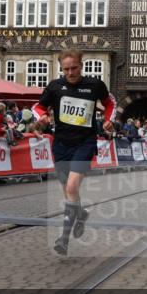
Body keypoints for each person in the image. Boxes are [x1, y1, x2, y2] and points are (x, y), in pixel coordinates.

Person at [33, 49, 117, 256]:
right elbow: (38, 106)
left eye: (74, 68)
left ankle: (63, 239)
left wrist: (108, 120)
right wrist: (42, 116)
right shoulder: (55, 86)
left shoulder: (95, 85)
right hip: (61, 143)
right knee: (69, 191)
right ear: (61, 68)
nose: (70, 72)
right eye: (66, 69)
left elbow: (110, 103)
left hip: (84, 143)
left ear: (82, 65)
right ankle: (80, 214)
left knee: (71, 186)